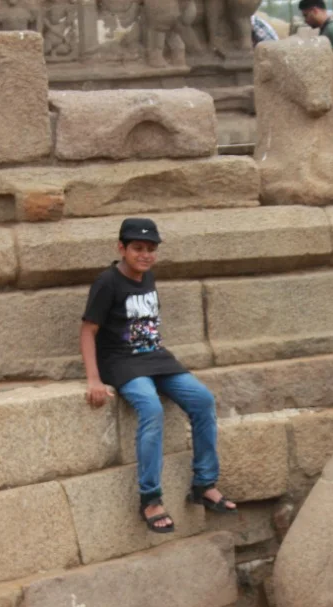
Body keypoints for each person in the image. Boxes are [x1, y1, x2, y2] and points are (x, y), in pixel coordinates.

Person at [81, 218, 237, 533]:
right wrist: (94, 380)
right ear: (121, 248)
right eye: (138, 248)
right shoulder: (107, 282)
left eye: (151, 249)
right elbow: (88, 331)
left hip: (155, 358)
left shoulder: (148, 276)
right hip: (121, 362)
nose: (145, 255)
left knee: (203, 400)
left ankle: (204, 484)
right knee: (151, 408)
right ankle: (150, 498)